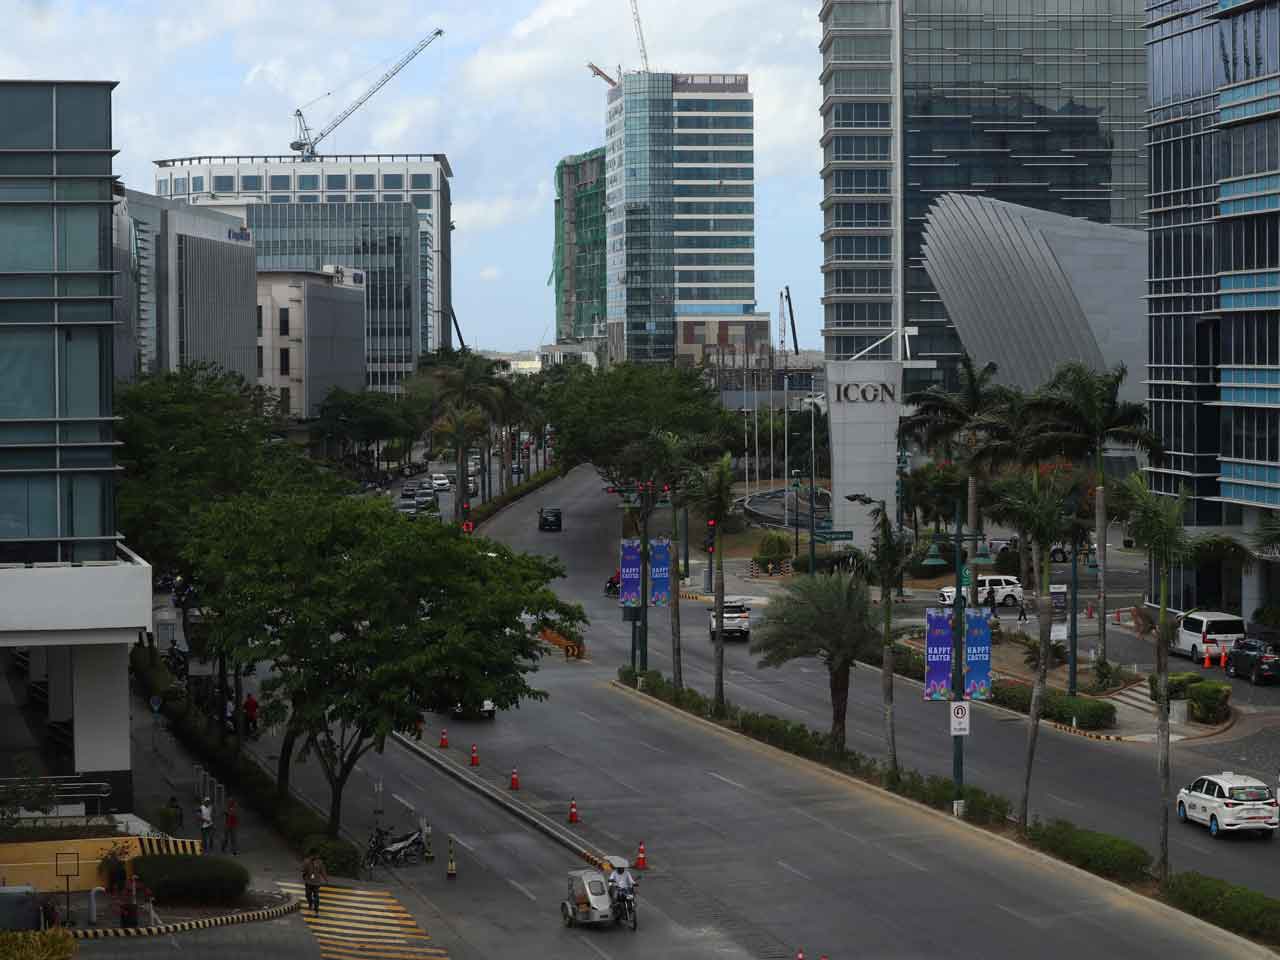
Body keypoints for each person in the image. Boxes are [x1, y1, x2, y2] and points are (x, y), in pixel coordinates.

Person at [302, 850, 329, 915]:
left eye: (317, 855)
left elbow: (323, 871)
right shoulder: (307, 861)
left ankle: (316, 909)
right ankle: (310, 903)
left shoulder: (320, 862)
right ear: (312, 855)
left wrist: (326, 879)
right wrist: (304, 875)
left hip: (316, 883)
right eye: (315, 855)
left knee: (316, 896)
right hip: (308, 882)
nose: (317, 856)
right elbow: (304, 870)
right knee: (307, 895)